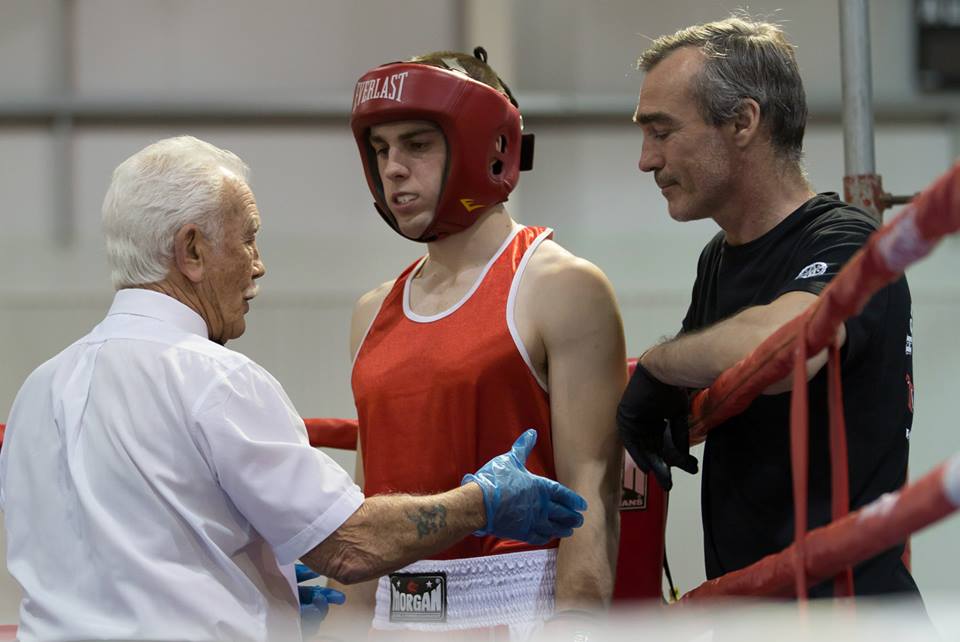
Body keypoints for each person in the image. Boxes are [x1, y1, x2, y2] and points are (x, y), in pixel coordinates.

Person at [0, 136, 588, 642]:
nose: (258, 265)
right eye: (247, 240)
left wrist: (259, 592)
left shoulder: (40, 388)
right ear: (192, 250)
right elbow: (350, 546)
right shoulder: (213, 379)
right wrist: (482, 501)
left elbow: (120, 558)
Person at [616, 15, 920, 600]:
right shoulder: (719, 257)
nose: (646, 159)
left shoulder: (848, 239)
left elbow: (791, 345)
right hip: (756, 607)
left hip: (847, 614)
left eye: (662, 131)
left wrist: (657, 365)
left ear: (743, 122)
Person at [337, 49, 626, 638]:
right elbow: (371, 506)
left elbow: (592, 492)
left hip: (520, 616)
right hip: (395, 619)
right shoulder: (371, 314)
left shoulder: (560, 286)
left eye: (417, 144)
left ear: (486, 147)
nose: (394, 168)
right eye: (382, 149)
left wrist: (575, 625)